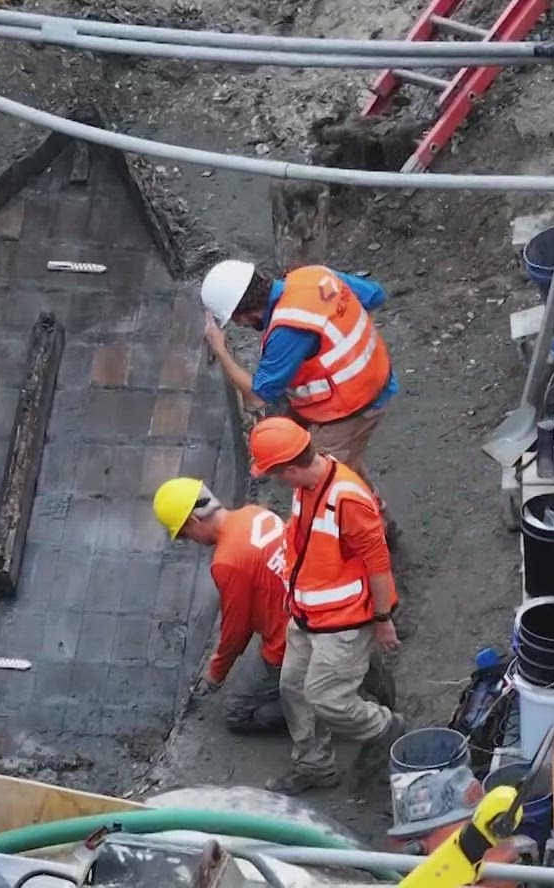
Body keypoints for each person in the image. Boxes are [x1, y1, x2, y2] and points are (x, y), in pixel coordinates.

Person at [248, 416, 409, 795]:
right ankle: (315, 766)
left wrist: (383, 619)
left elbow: (377, 563)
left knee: (327, 699)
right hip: (307, 616)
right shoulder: (306, 486)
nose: (276, 480)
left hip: (344, 622)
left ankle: (385, 728)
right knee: (293, 688)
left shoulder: (348, 499)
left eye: (275, 473)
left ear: (290, 467)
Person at [198, 261, 399, 531]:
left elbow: (259, 394)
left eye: (236, 321)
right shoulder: (313, 276)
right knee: (342, 465)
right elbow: (374, 295)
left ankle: (368, 537)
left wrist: (220, 350)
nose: (241, 326)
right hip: (376, 377)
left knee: (320, 484)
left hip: (351, 406)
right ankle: (382, 522)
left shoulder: (286, 331)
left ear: (244, 314)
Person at [152, 477, 292, 735]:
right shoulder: (255, 513)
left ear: (194, 521)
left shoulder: (227, 560)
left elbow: (237, 629)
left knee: (237, 713)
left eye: (185, 534)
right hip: (309, 611)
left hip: (290, 639)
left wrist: (216, 673)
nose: (190, 540)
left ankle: (317, 703)